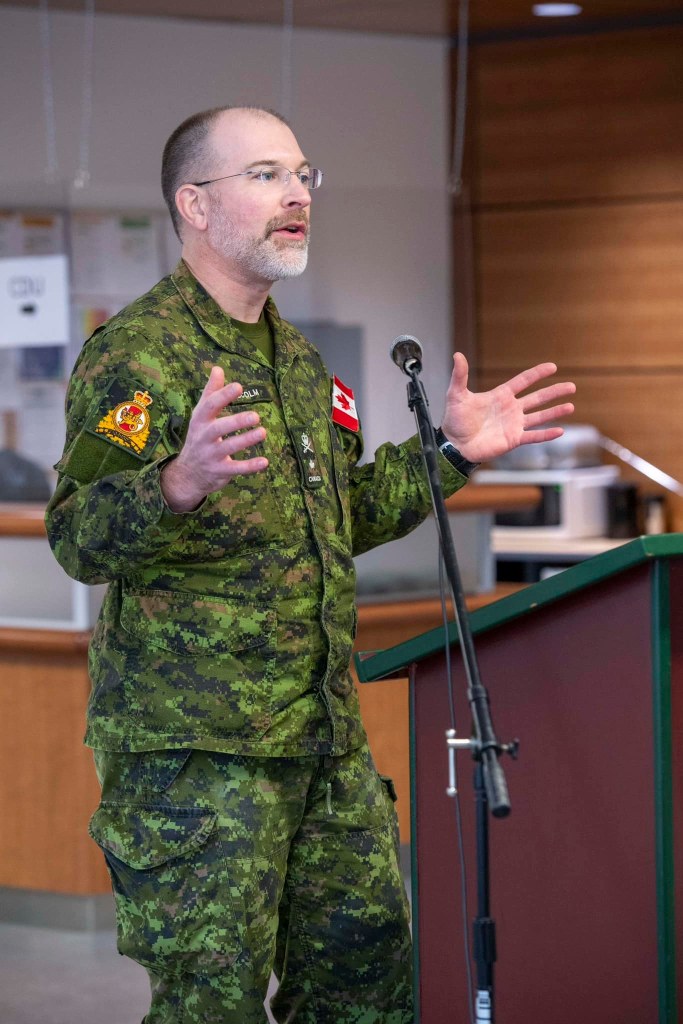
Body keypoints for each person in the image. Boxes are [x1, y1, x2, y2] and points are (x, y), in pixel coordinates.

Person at [45, 105, 575, 1024]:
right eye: (264, 175)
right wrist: (173, 484)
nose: (297, 196)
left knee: (365, 987)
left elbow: (339, 519)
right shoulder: (138, 354)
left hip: (323, 741)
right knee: (211, 1006)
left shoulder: (297, 360)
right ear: (194, 204)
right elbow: (76, 537)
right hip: (200, 760)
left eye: (301, 175)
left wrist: (446, 455)